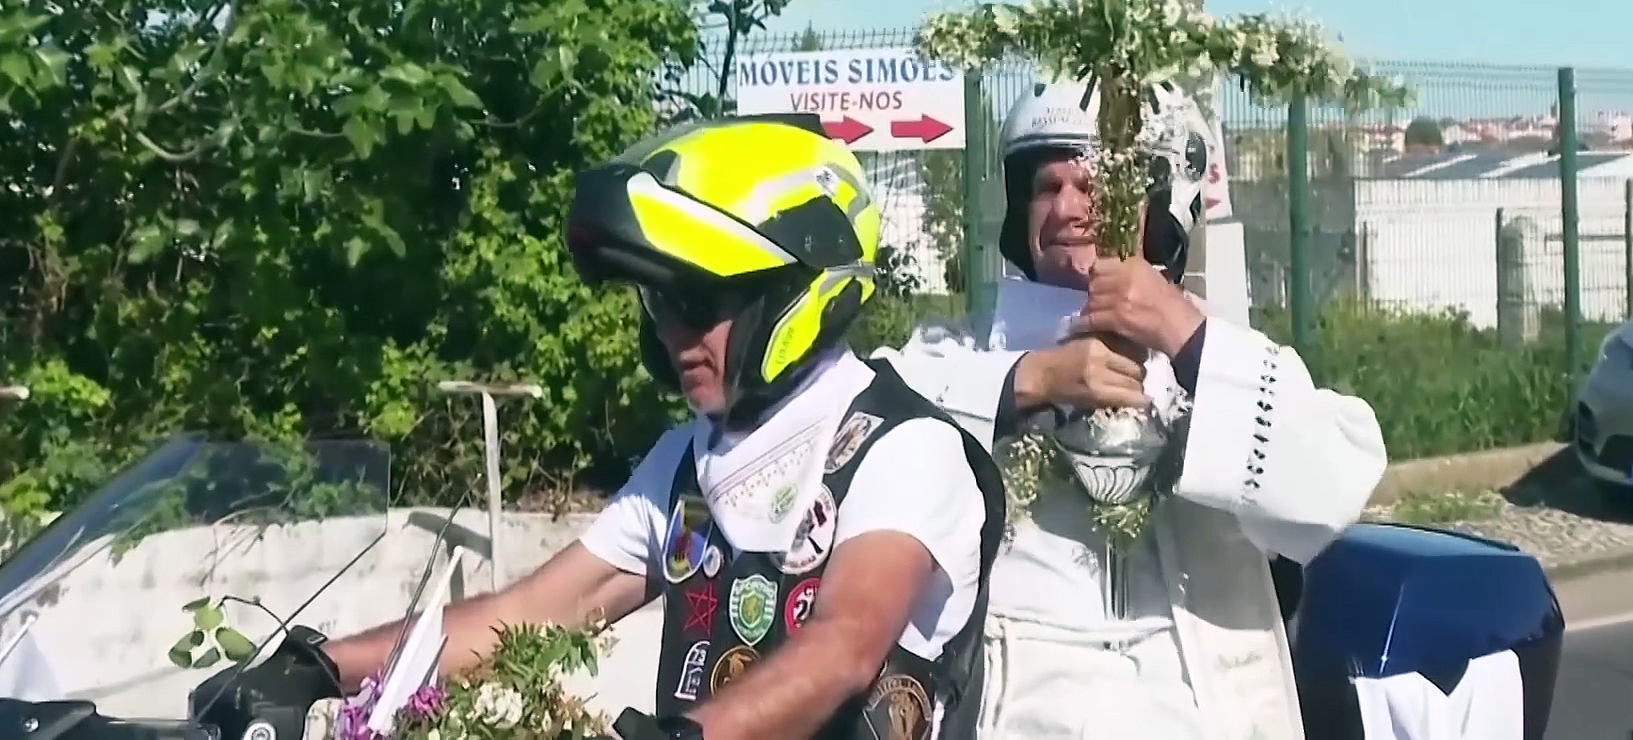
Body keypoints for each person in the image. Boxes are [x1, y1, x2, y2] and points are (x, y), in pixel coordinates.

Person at [193, 115, 1005, 740]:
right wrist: (321, 667)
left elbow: (846, 646)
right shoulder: (689, 464)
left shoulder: (901, 448)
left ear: (796, 290)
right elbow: (536, 615)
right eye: (657, 306)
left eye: (696, 302)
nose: (672, 336)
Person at [874, 78, 1389, 740]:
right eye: (1045, 187)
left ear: (1159, 204)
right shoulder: (955, 349)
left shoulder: (1223, 352)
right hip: (1010, 705)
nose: (1066, 208)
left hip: (1204, 707)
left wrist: (1182, 335)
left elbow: (1329, 493)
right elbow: (868, 417)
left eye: (1093, 187)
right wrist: (1030, 382)